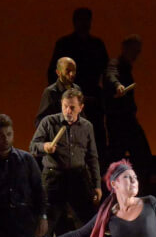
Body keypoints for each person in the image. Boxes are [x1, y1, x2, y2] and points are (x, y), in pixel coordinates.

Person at [32, 89, 102, 237]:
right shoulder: (49, 122)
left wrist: (97, 185)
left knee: (89, 225)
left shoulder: (87, 126)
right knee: (45, 225)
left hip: (78, 178)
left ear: (81, 107)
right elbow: (33, 146)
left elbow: (92, 157)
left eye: (72, 107)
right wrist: (45, 146)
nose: (68, 111)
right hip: (54, 178)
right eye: (65, 107)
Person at [46, 8, 110, 148]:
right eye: (81, 20)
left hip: (91, 98)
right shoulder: (66, 44)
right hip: (73, 98)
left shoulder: (95, 44)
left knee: (95, 137)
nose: (84, 23)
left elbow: (106, 71)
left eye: (86, 20)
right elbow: (53, 73)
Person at [103, 35, 151, 184]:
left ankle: (132, 186)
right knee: (125, 155)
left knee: (137, 155)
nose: (136, 55)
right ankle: (115, 188)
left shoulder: (125, 67)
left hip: (125, 119)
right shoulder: (115, 64)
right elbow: (111, 75)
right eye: (134, 51)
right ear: (125, 49)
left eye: (138, 51)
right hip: (119, 120)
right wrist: (117, 85)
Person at [36, 56, 79, 130]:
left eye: (73, 70)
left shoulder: (77, 89)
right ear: (58, 72)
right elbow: (40, 121)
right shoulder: (50, 92)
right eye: (67, 70)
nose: (72, 74)